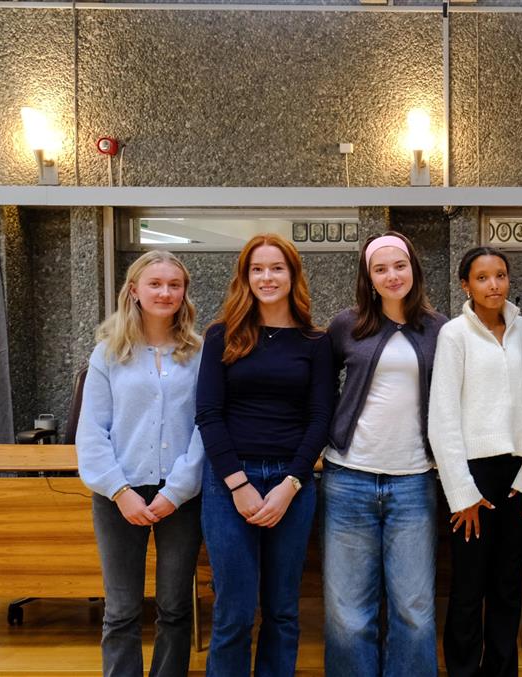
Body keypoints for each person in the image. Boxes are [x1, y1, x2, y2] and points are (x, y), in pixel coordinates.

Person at [195, 234, 334, 677]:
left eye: (277, 268)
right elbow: (208, 414)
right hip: (229, 483)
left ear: (293, 275)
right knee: (233, 612)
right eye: (257, 269)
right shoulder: (221, 335)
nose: (267, 277)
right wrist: (238, 484)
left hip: (291, 484)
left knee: (282, 610)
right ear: (245, 277)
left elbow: (320, 419)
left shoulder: (316, 341)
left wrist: (290, 485)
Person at [323, 231, 447, 677]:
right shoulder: (345, 325)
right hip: (348, 478)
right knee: (348, 611)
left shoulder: (439, 328)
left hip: (414, 479)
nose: (392, 275)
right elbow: (320, 391)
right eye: (380, 269)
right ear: (368, 277)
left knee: (413, 608)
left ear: (414, 269)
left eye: (400, 266)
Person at [76, 249, 205, 677]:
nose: (165, 292)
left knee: (175, 607)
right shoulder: (108, 353)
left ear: (184, 292)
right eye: (155, 284)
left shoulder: (199, 353)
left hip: (180, 497)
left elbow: (206, 427)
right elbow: (92, 431)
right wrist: (119, 491)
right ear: (134, 290)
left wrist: (177, 491)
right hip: (120, 495)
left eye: (174, 284)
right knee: (121, 610)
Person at [430, 246, 522, 677]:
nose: (493, 285)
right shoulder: (454, 335)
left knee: (508, 585)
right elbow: (442, 418)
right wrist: (461, 494)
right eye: (482, 278)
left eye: (500, 275)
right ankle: (462, 670)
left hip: (519, 477)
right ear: (466, 285)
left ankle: (501, 669)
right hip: (472, 477)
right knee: (468, 586)